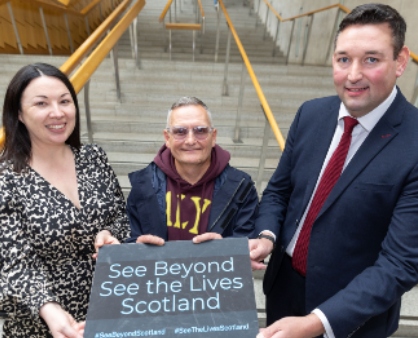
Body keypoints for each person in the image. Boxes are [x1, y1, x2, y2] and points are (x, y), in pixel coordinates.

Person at [249, 4, 418, 338]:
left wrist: (318, 322)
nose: (353, 74)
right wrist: (267, 236)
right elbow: (279, 192)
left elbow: (400, 264)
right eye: (343, 59)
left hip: (352, 317)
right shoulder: (311, 114)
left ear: (400, 61)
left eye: (371, 59)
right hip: (283, 290)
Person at [0, 63, 130, 337]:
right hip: (43, 320)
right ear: (19, 114)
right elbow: (14, 261)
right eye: (41, 103)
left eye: (65, 101)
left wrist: (110, 234)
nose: (57, 112)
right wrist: (48, 308)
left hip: (109, 306)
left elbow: (121, 216)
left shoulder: (94, 158)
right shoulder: (6, 177)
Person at [126, 96, 258, 245]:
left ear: (213, 137)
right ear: (167, 138)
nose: (190, 140)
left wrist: (225, 248)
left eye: (200, 131)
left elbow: (249, 244)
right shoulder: (144, 185)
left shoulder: (241, 187)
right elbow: (129, 237)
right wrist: (135, 247)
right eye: (180, 131)